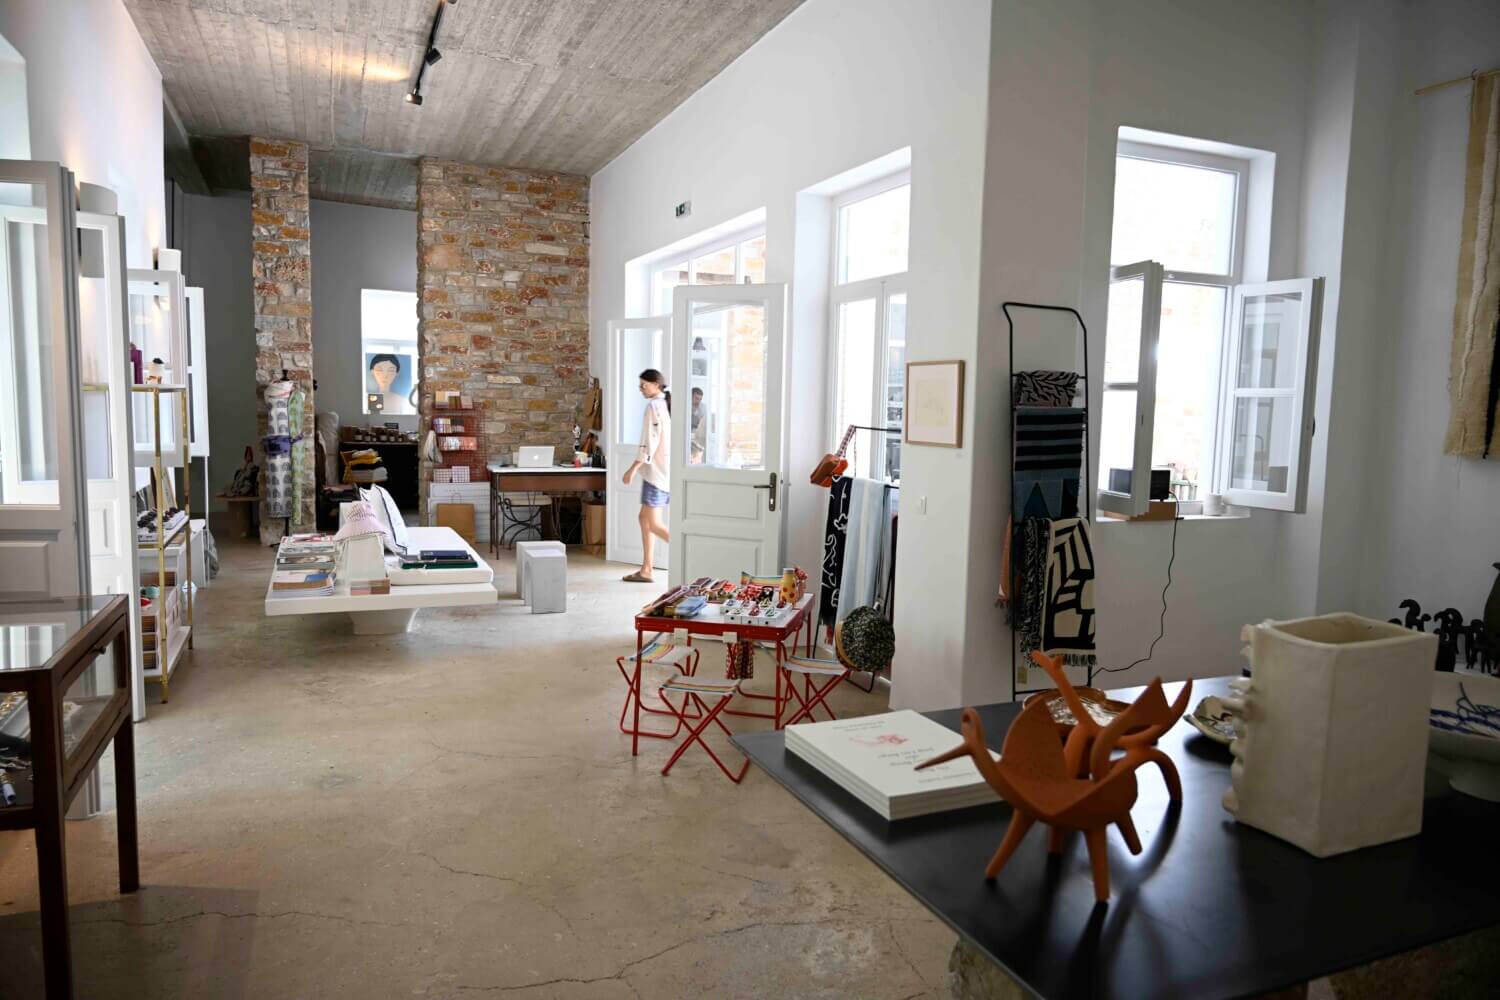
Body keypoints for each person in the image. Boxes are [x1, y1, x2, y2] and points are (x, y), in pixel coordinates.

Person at [621, 369, 671, 583]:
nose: (641, 389)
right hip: (661, 471)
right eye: (639, 385)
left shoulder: (654, 407)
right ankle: (646, 569)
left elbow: (650, 442)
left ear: (656, 385)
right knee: (644, 518)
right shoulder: (665, 404)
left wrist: (633, 468)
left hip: (656, 473)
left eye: (644, 385)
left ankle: (691, 554)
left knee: (654, 523)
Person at [690, 387, 708, 464]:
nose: (698, 401)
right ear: (690, 397)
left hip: (698, 435)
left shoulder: (703, 407)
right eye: (696, 398)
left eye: (700, 399)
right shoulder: (685, 406)